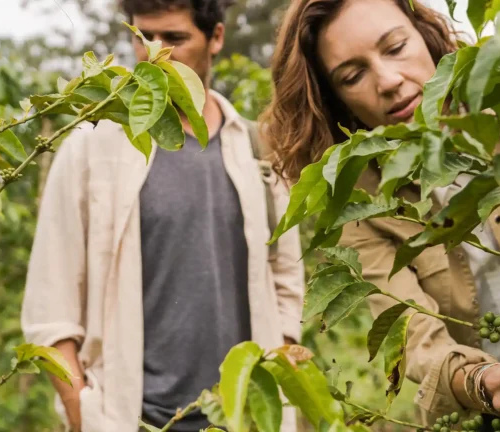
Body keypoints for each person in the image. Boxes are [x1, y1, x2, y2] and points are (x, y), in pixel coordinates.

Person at [260, 0, 500, 430]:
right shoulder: (356, 203)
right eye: (353, 76)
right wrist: (482, 383)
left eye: (395, 47)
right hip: (475, 412)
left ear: (424, 35)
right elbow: (409, 329)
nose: (390, 81)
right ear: (334, 100)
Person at [20, 1, 304, 431]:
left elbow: (286, 279)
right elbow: (50, 302)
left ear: (216, 39)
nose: (154, 53)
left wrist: (279, 368)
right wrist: (82, 410)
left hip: (241, 420)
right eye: (143, 37)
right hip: (131, 420)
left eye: (174, 39)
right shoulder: (91, 147)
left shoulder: (257, 151)